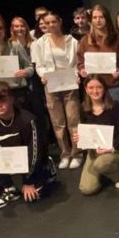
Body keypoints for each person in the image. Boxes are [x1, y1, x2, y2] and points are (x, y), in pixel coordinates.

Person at [0, 81, 56, 209]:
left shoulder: (27, 120)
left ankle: (47, 168)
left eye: (3, 100)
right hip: (10, 158)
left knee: (35, 195)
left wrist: (29, 182)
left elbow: (35, 152)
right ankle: (9, 188)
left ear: (11, 99)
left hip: (32, 158)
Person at [30, 11, 82, 169]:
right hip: (51, 85)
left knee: (73, 121)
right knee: (58, 123)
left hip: (70, 84)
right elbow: (38, 65)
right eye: (47, 23)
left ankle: (77, 153)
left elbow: (76, 64)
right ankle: (65, 154)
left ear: (60, 21)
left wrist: (77, 75)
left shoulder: (71, 41)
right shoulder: (39, 43)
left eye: (54, 22)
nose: (51, 25)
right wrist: (42, 76)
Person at [72, 75, 119, 195]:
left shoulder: (114, 106)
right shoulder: (83, 108)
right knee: (87, 189)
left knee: (100, 164)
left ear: (104, 88)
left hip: (115, 149)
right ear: (86, 89)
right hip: (94, 151)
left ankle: (118, 173)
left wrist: (111, 148)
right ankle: (104, 170)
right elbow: (86, 132)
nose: (95, 91)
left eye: (99, 87)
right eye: (91, 87)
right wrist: (81, 139)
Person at [76, 4, 119, 113]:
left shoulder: (117, 40)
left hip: (114, 87)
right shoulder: (85, 41)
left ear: (107, 18)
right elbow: (80, 62)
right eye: (95, 18)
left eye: (101, 17)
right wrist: (82, 70)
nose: (98, 20)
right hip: (94, 90)